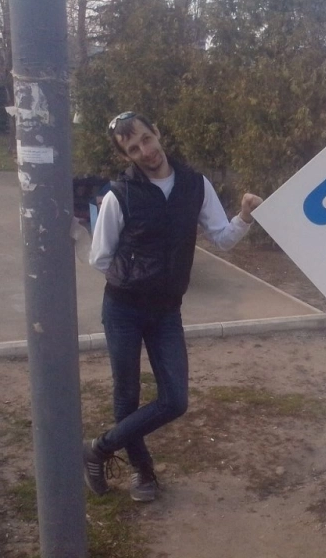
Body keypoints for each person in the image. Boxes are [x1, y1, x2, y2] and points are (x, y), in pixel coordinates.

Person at [85, 111, 263, 502]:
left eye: (147, 139)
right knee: (127, 395)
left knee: (175, 400)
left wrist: (245, 217)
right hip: (123, 309)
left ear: (157, 132)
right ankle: (143, 472)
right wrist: (135, 274)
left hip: (167, 311)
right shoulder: (120, 194)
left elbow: (222, 238)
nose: (145, 151)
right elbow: (100, 257)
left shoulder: (194, 185)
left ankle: (98, 448)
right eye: (134, 149)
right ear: (127, 156)